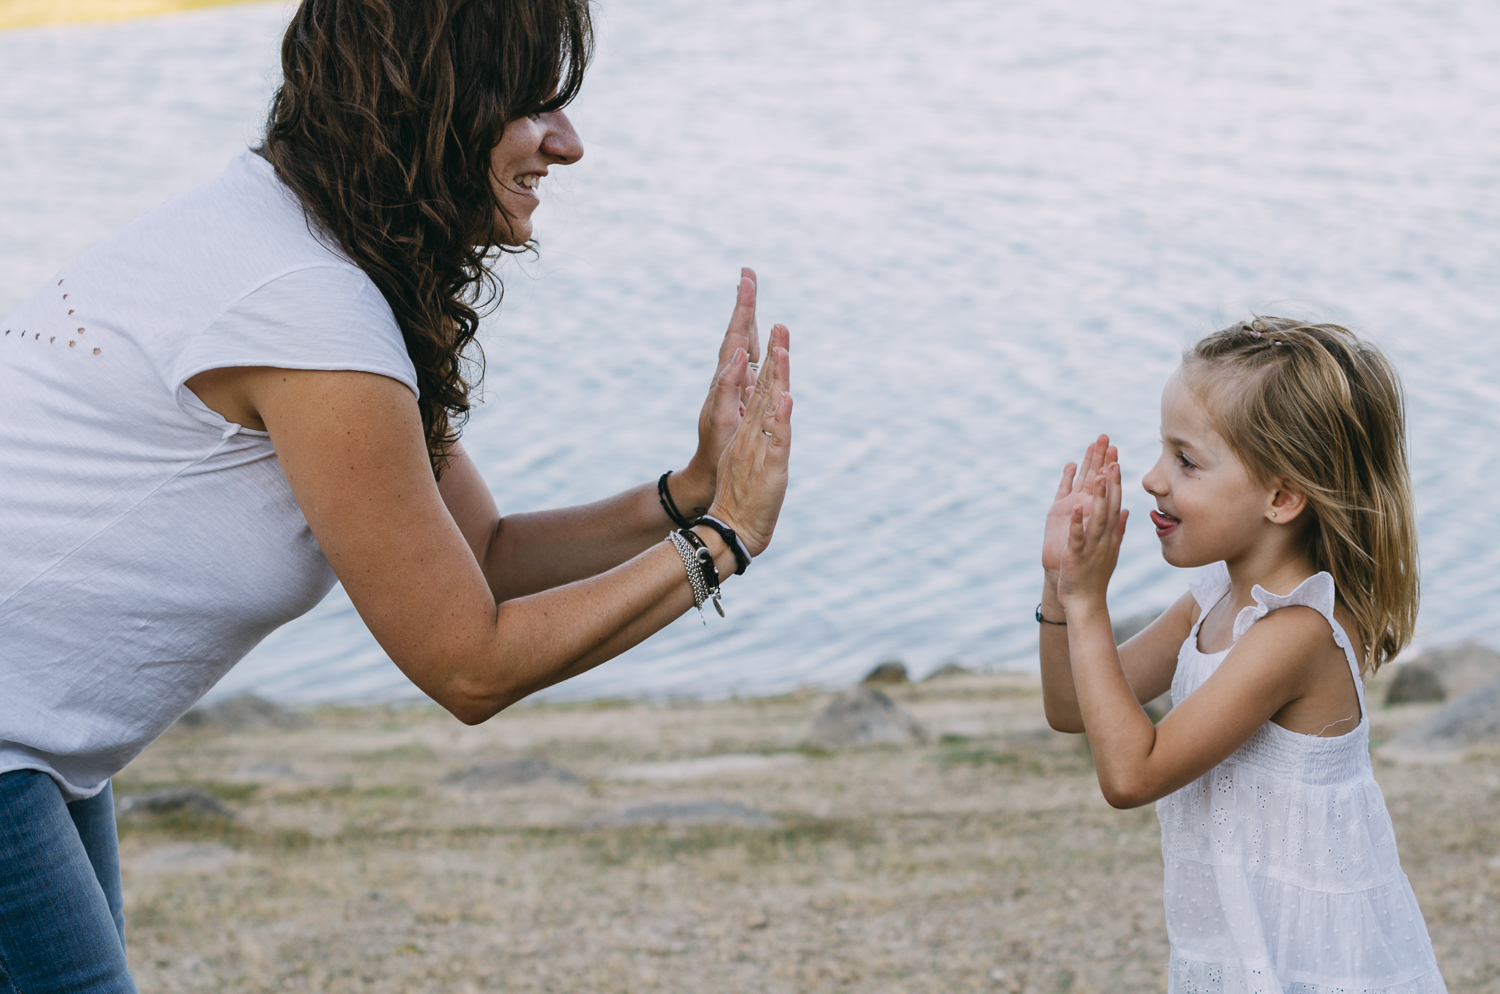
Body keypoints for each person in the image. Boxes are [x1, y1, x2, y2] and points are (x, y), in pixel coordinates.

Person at [0, 0, 791, 989]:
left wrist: (684, 495)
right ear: (435, 105)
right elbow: (469, 663)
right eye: (533, 104)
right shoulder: (306, 305)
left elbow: (484, 556)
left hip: (38, 742)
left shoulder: (305, 252)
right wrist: (724, 541)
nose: (570, 144)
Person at [1037, 319, 1445, 992]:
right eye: (1161, 453)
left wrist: (1089, 605)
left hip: (1315, 966)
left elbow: (1131, 776)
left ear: (1282, 497)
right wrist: (1059, 584)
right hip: (1242, 954)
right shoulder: (1212, 600)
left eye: (1185, 461)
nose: (1149, 480)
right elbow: (1069, 710)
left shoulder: (1296, 634)